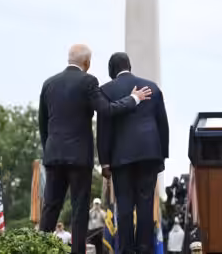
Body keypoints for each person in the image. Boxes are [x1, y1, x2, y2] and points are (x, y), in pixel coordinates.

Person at [38, 44, 151, 254]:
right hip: (80, 158)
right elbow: (106, 110)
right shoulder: (88, 82)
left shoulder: (49, 84)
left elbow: (42, 124)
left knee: (50, 209)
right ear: (87, 63)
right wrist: (134, 99)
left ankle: (40, 250)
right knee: (79, 211)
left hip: (54, 156)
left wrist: (49, 151)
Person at [98, 52, 169, 254]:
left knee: (125, 205)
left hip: (121, 158)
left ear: (111, 69)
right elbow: (162, 124)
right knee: (146, 205)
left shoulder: (106, 91)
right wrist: (162, 156)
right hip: (149, 155)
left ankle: (127, 250)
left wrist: (104, 162)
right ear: (129, 65)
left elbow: (103, 129)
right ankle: (145, 249)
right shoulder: (152, 88)